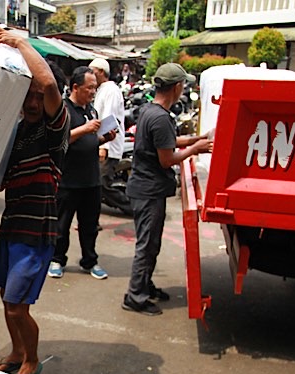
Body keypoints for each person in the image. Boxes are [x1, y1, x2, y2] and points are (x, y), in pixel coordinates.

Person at [0, 26, 68, 374]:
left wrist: (18, 42)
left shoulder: (55, 129)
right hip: (11, 226)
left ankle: (32, 358)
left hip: (36, 234)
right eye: (26, 95)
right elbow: (2, 177)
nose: (33, 102)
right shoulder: (16, 132)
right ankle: (17, 352)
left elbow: (48, 84)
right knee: (6, 300)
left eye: (36, 96)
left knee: (18, 306)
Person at [122, 63, 212, 316]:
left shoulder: (152, 111)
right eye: (183, 84)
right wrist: (195, 150)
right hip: (148, 190)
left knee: (151, 244)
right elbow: (167, 158)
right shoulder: (160, 117)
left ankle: (144, 286)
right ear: (176, 87)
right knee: (147, 245)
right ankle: (135, 296)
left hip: (146, 188)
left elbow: (168, 142)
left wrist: (198, 138)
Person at [48, 66, 116, 281]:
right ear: (75, 87)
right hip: (68, 180)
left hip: (91, 180)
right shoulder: (64, 110)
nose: (93, 92)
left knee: (89, 225)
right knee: (61, 225)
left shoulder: (91, 110)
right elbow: (60, 139)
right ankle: (57, 259)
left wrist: (105, 138)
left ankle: (90, 261)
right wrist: (84, 129)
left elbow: (91, 141)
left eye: (95, 88)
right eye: (90, 88)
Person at [89, 57, 125, 198]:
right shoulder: (101, 90)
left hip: (108, 146)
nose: (91, 75)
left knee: (102, 183)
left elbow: (110, 119)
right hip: (101, 142)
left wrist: (104, 147)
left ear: (101, 72)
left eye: (93, 71)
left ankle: (131, 207)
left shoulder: (111, 90)